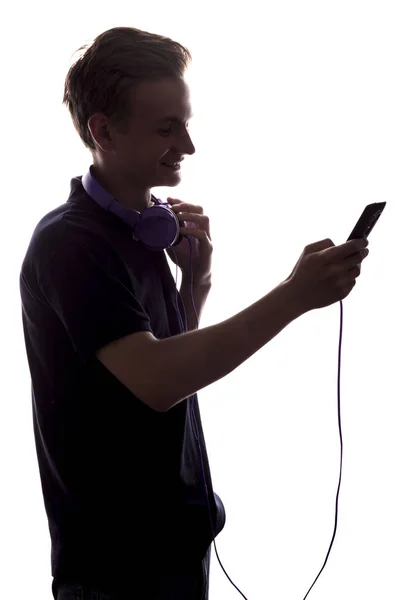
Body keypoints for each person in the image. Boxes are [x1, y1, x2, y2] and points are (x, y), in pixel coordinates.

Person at [19, 26, 369, 600]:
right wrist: (294, 295)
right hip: (117, 569)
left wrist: (196, 279)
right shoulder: (71, 244)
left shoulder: (143, 228)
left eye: (185, 123)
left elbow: (160, 367)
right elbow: (157, 380)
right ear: (102, 130)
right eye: (167, 128)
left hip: (175, 544)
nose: (187, 145)